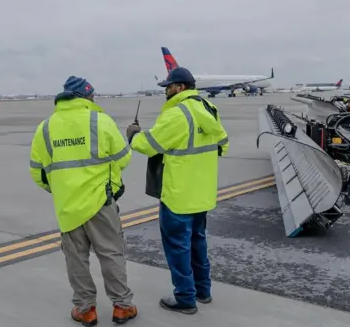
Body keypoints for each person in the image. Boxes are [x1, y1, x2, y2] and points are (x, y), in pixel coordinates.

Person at [29, 76, 138, 326]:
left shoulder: (45, 128)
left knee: (76, 258)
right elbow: (123, 158)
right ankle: (122, 306)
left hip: (68, 207)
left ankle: (86, 309)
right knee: (111, 253)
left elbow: (38, 172)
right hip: (101, 201)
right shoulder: (100, 120)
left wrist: (60, 189)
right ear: (86, 96)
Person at [126, 67, 229, 315]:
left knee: (177, 247)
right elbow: (222, 145)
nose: (166, 91)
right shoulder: (208, 109)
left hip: (178, 194)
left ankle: (185, 298)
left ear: (180, 87)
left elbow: (151, 146)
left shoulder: (177, 113)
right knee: (198, 242)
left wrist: (133, 136)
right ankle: (203, 291)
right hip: (202, 193)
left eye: (168, 87)